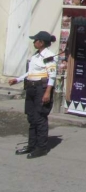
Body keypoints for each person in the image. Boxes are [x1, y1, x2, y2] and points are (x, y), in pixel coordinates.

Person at [8, 31, 57, 159]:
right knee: (31, 118)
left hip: (41, 89)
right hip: (31, 88)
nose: (33, 42)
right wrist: (17, 79)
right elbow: (30, 73)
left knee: (40, 118)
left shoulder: (49, 56)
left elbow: (52, 76)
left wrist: (47, 92)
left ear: (41, 42)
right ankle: (32, 145)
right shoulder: (35, 56)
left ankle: (41, 148)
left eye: (35, 40)